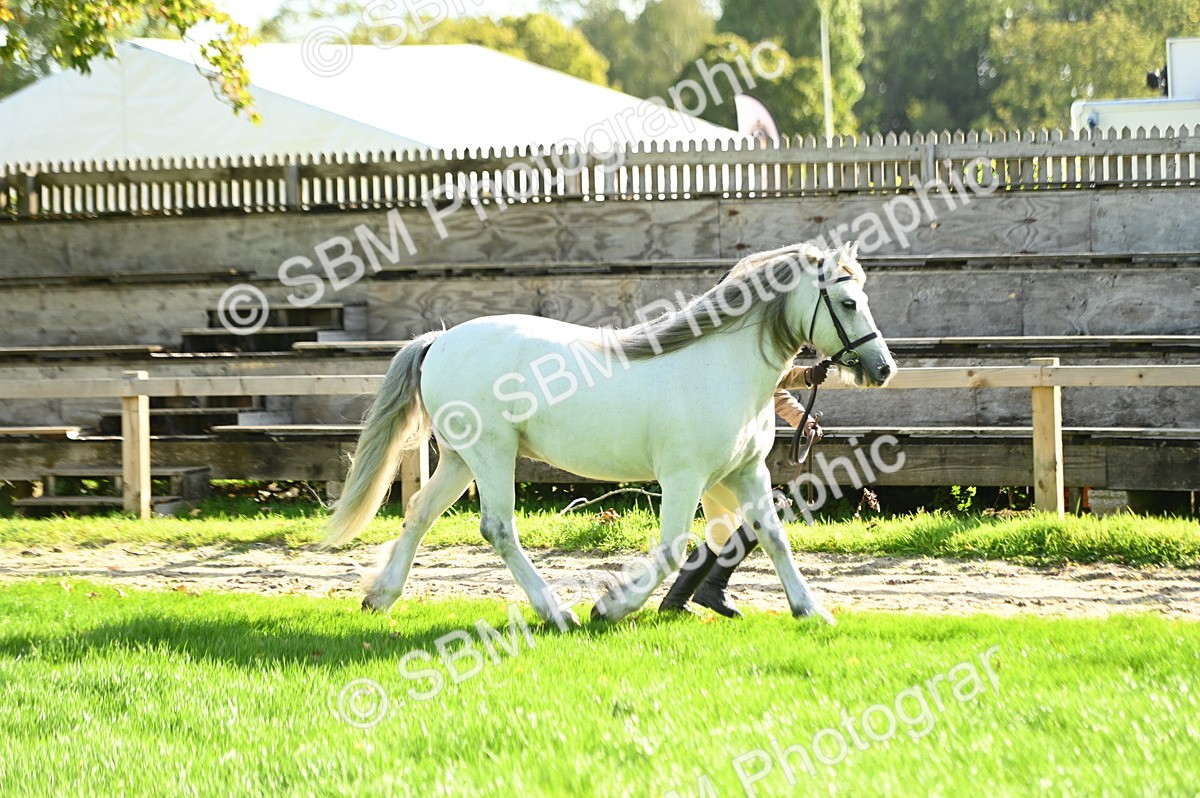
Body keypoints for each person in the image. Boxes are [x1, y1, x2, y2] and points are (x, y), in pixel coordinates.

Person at [659, 361, 829, 617]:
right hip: (717, 457)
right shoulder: (730, 354)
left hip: (723, 459)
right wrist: (805, 375)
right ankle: (713, 587)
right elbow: (775, 379)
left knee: (722, 535)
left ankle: (676, 600)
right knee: (764, 512)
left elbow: (774, 390)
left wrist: (803, 421)